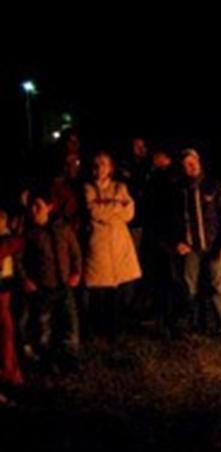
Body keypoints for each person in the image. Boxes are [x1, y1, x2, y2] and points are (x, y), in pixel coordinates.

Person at [176, 149, 221, 342]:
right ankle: (191, 326)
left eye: (192, 162)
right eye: (186, 164)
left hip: (214, 246)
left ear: (199, 162)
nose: (190, 166)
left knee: (218, 286)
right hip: (191, 247)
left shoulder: (215, 186)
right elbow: (173, 219)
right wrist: (178, 241)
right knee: (189, 286)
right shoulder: (180, 190)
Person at [19, 192, 82, 369]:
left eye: (38, 206)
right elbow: (19, 258)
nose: (34, 210)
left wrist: (76, 272)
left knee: (69, 322)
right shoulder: (29, 233)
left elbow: (75, 252)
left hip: (64, 284)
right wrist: (25, 279)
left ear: (49, 207)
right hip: (42, 286)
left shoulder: (62, 228)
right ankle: (46, 358)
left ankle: (70, 357)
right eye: (31, 206)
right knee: (43, 324)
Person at [84, 152, 142, 337]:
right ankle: (98, 330)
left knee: (120, 288)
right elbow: (94, 211)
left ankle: (117, 329)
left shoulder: (120, 186)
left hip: (119, 243)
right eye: (97, 163)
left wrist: (109, 207)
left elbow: (129, 213)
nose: (100, 167)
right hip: (99, 243)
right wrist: (116, 206)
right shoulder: (88, 188)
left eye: (104, 164)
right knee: (100, 289)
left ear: (110, 168)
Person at [142, 148, 181, 336]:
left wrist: (172, 237)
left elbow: (170, 209)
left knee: (169, 278)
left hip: (167, 236)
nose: (154, 158)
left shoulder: (169, 178)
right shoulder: (154, 176)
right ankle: (163, 319)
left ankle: (171, 319)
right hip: (157, 235)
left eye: (158, 155)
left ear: (167, 158)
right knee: (160, 277)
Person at [0, 210, 24, 389]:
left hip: (7, 286)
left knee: (8, 329)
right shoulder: (9, 240)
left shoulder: (9, 237)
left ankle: (11, 370)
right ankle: (9, 370)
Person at [50, 153, 86, 235]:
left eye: (76, 162)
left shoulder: (83, 184)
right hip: (64, 228)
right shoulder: (58, 185)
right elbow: (54, 208)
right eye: (69, 163)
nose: (74, 166)